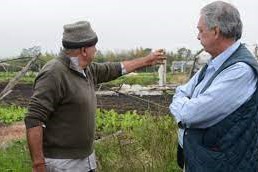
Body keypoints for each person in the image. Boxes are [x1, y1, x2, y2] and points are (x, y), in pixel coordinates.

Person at [24, 20, 165, 172]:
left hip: (86, 160)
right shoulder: (54, 73)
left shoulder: (87, 69)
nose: (96, 50)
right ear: (84, 50)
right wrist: (38, 165)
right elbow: (34, 119)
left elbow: (115, 68)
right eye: (94, 46)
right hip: (62, 164)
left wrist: (146, 61)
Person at [169, 1, 258, 172]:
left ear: (216, 31)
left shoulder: (240, 71)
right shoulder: (214, 64)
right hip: (203, 160)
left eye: (200, 30)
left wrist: (182, 105)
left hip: (223, 164)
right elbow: (181, 90)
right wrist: (183, 101)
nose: (197, 36)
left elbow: (191, 114)